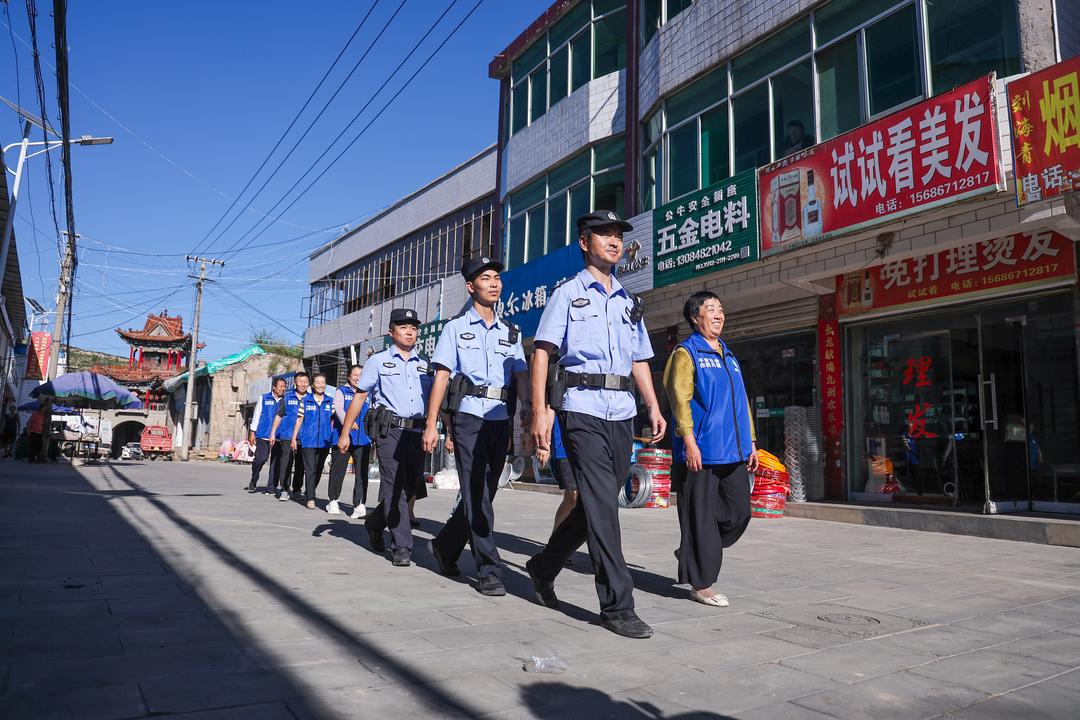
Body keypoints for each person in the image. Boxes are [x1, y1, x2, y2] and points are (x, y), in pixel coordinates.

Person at [526, 209, 667, 639]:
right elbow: (543, 352)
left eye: (618, 235)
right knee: (605, 505)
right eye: (604, 234)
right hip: (581, 408)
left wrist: (653, 405)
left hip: (622, 410)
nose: (614, 240)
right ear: (585, 242)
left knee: (599, 499)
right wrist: (538, 412)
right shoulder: (568, 294)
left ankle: (543, 565)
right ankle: (617, 605)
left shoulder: (629, 301)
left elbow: (640, 359)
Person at [424, 255, 529, 597]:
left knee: (485, 492)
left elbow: (521, 373)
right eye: (486, 278)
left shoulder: (511, 331)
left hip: (500, 417)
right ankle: (488, 569)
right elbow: (442, 375)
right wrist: (431, 424)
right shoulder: (455, 329)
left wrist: (527, 408)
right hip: (468, 416)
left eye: (497, 277)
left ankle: (444, 547)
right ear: (471, 287)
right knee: (476, 494)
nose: (495, 282)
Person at [663, 291, 759, 608]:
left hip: (733, 449)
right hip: (701, 451)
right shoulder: (686, 353)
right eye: (711, 309)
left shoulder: (728, 356)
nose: (719, 314)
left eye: (721, 308)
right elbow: (679, 400)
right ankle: (701, 584)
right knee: (701, 516)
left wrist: (752, 443)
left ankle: (694, 548)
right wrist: (688, 441)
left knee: (739, 512)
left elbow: (741, 402)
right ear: (695, 317)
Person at [338, 308, 431, 567]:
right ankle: (402, 544)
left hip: (417, 431)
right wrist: (345, 432)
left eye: (413, 327)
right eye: (403, 327)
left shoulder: (425, 364)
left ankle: (375, 521)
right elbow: (360, 396)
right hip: (390, 431)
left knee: (411, 485)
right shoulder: (378, 361)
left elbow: (435, 400)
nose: (409, 331)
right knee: (393, 485)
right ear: (392, 333)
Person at [327, 364, 373, 519]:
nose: (358, 377)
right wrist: (348, 420)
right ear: (349, 376)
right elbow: (338, 409)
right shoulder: (341, 391)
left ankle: (359, 504)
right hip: (343, 437)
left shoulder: (368, 393)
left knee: (361, 473)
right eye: (355, 374)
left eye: (361, 374)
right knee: (338, 470)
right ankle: (333, 500)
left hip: (363, 438)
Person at [293, 372, 335, 510]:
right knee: (310, 469)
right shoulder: (305, 400)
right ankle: (311, 497)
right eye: (317, 382)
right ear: (313, 385)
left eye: (323, 382)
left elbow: (335, 420)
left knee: (318, 469)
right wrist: (294, 438)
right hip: (308, 441)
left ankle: (309, 491)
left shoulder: (330, 401)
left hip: (324, 441)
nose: (320, 385)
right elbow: (299, 419)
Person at [270, 372, 310, 501]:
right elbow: (279, 416)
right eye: (300, 381)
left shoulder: (311, 399)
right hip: (287, 435)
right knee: (286, 463)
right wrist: (273, 433)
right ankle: (284, 489)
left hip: (304, 437)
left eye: (305, 381)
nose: (303, 384)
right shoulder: (286, 398)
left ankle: (297, 489)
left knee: (301, 464)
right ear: (295, 383)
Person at [247, 377, 287, 494]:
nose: (283, 388)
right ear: (274, 387)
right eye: (280, 386)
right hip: (263, 434)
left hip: (279, 435)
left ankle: (271, 488)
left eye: (284, 386)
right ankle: (254, 479)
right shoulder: (264, 398)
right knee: (261, 459)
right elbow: (257, 414)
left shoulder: (285, 400)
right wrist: (252, 432)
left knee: (276, 463)